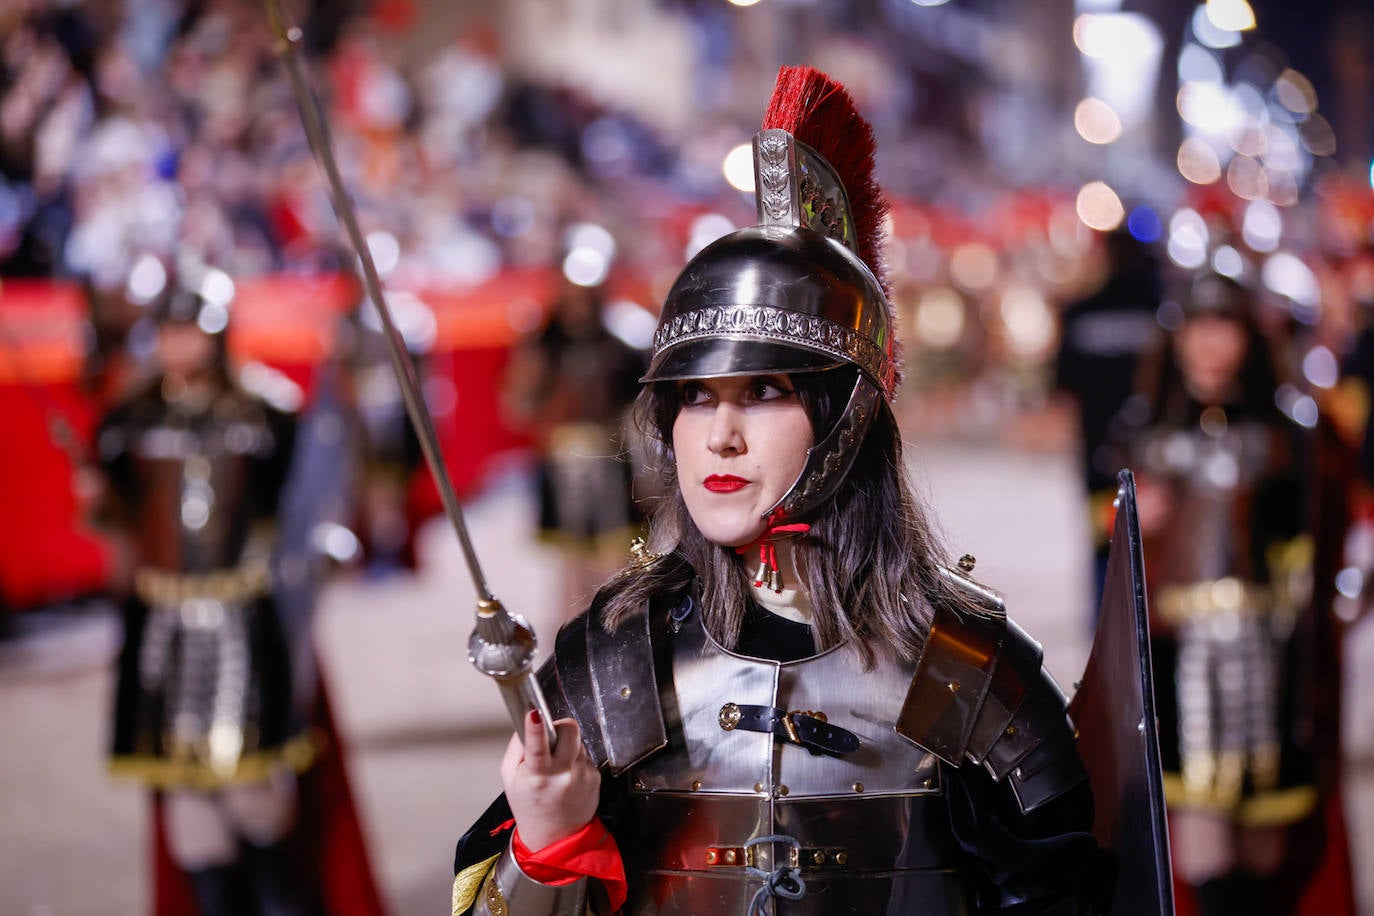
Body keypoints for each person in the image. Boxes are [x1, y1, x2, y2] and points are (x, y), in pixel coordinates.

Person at [452, 67, 1108, 915]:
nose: (719, 436)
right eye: (695, 397)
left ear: (846, 416)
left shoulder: (971, 671)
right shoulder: (615, 658)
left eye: (763, 392)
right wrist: (546, 845)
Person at [95, 277, 382, 915]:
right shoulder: (132, 417)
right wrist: (101, 498)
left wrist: (317, 554)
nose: (179, 345)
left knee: (258, 795)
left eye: (191, 330)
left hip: (244, 624)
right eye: (169, 331)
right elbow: (119, 514)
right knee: (189, 807)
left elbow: (305, 504)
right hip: (163, 627)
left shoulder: (267, 413)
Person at [1112, 271, 1325, 915]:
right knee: (1197, 817)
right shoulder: (1146, 430)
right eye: (1198, 328)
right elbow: (1118, 555)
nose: (1211, 344)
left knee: (1266, 823)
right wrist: (1133, 522)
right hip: (1180, 646)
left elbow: (1306, 539)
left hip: (1269, 644)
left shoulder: (1285, 432)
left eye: (1224, 327)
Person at [502, 264, 648, 616]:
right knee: (571, 558)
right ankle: (574, 632)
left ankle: (618, 625)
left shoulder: (621, 343)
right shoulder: (545, 345)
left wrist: (647, 469)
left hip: (610, 455)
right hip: (562, 456)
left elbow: (639, 410)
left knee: (617, 553)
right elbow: (518, 405)